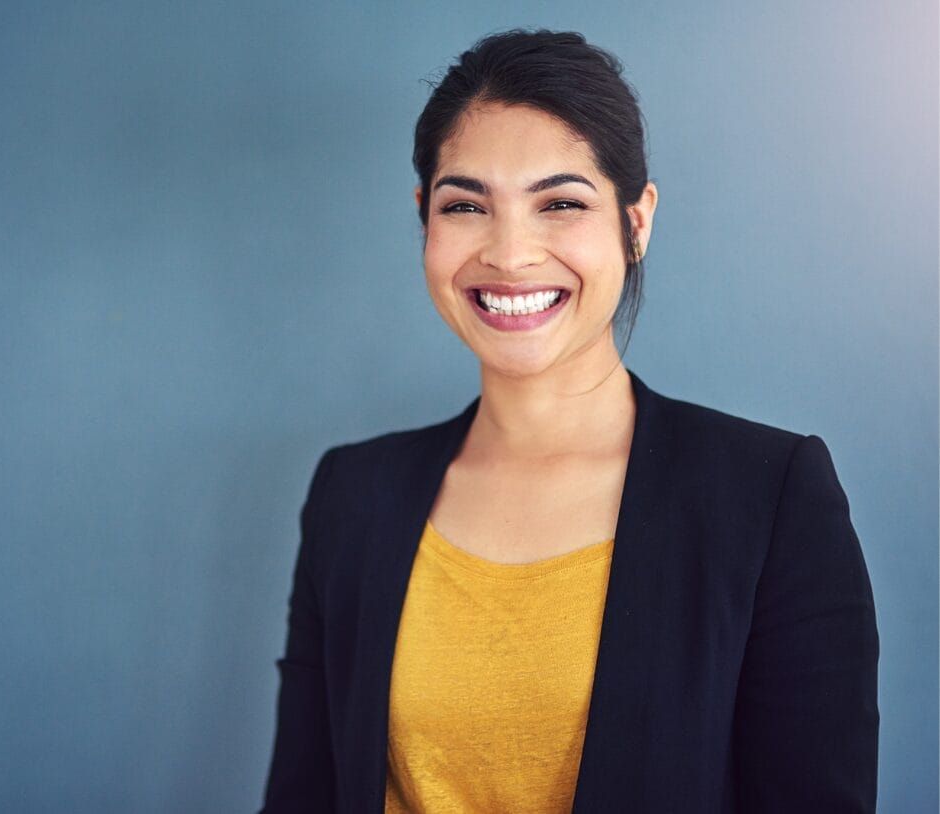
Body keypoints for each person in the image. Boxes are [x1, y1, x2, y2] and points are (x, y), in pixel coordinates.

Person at [260, 29, 878, 814]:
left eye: (560, 204)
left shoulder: (769, 497)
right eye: (466, 205)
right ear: (425, 219)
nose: (511, 254)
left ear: (636, 219)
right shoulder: (352, 495)